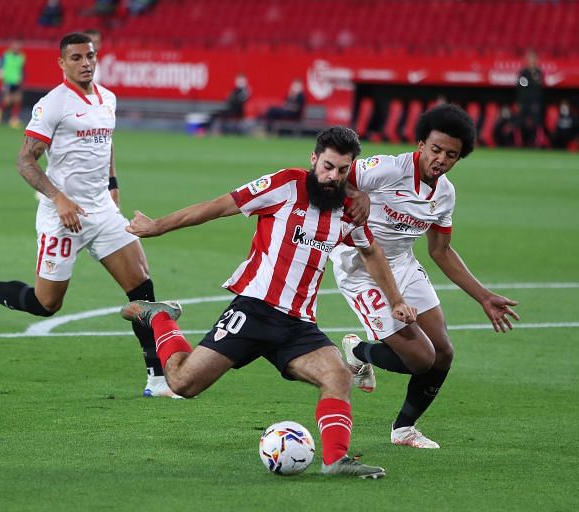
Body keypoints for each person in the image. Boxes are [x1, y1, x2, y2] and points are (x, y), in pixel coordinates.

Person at [119, 127, 418, 478]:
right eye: (327, 166)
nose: (332, 177)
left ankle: (336, 460)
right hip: (255, 309)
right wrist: (158, 226)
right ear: (313, 159)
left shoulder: (349, 210)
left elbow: (371, 252)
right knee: (182, 383)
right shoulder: (285, 185)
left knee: (337, 375)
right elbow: (219, 206)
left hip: (298, 325)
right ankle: (161, 318)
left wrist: (395, 299)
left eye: (341, 171)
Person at [0, 32, 175, 398]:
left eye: (90, 56)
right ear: (62, 63)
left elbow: (107, 140)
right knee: (46, 304)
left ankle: (158, 379)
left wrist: (113, 182)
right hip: (62, 215)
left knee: (143, 288)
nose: (86, 63)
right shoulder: (53, 104)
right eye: (77, 58)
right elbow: (25, 161)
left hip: (102, 210)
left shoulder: (108, 99)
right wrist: (59, 199)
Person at [329, 104, 520, 449]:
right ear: (420, 144)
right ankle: (359, 353)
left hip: (401, 263)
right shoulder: (386, 169)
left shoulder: (445, 193)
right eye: (435, 149)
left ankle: (404, 429)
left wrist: (484, 296)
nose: (441, 160)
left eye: (451, 155)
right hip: (358, 265)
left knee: (443, 353)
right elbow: (332, 177)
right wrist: (355, 194)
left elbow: (441, 251)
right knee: (420, 358)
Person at [0, 41, 26, 128]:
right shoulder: (6, 56)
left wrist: (22, 79)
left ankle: (14, 119)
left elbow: (22, 69)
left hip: (17, 82)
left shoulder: (21, 57)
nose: (16, 48)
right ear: (11, 47)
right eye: (14, 46)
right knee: (7, 101)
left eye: (17, 46)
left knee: (18, 100)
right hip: (7, 82)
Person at [516, 49, 544, 147]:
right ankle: (519, 142)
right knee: (520, 122)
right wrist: (532, 81)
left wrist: (531, 80)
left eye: (533, 59)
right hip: (524, 101)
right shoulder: (523, 72)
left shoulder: (538, 72)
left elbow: (539, 85)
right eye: (529, 59)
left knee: (537, 122)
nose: (531, 61)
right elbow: (521, 85)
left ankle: (538, 142)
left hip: (535, 101)